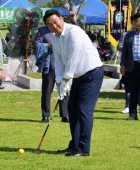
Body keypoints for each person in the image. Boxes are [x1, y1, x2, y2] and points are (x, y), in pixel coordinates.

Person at [44, 9, 104, 157]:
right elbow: (59, 62)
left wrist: (66, 80)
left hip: (92, 72)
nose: (54, 26)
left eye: (55, 22)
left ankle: (84, 149)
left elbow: (73, 58)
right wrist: (59, 83)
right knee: (72, 109)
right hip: (78, 75)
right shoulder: (55, 38)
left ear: (61, 19)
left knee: (84, 109)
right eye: (50, 25)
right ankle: (75, 145)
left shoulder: (74, 32)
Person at [34, 21, 69, 123]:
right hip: (49, 65)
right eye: (49, 22)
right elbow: (36, 44)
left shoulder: (63, 30)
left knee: (63, 90)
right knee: (46, 91)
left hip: (62, 65)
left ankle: (65, 115)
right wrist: (47, 46)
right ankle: (45, 116)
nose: (53, 24)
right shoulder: (42, 31)